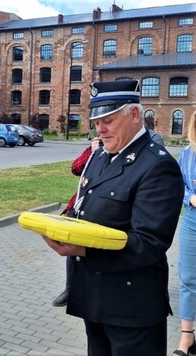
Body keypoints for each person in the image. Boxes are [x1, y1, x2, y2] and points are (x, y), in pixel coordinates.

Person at [41, 80, 184, 355]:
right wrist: (63, 225)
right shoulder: (102, 156)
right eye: (96, 121)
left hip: (131, 306)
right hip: (95, 298)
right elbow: (85, 208)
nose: (100, 129)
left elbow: (149, 244)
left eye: (108, 119)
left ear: (133, 115)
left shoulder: (157, 165)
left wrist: (83, 249)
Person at [52, 137, 102, 307]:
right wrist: (93, 152)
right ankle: (70, 289)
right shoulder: (97, 147)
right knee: (72, 248)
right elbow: (75, 168)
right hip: (82, 205)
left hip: (103, 208)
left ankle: (93, 292)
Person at [173, 111, 196, 356]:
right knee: (189, 278)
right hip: (192, 220)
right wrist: (190, 197)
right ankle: (186, 337)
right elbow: (177, 187)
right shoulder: (186, 155)